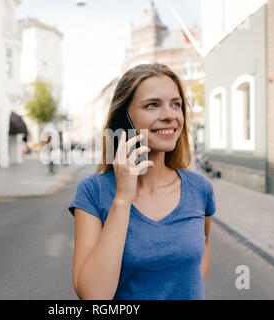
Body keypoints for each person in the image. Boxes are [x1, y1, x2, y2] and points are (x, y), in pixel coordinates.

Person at [68, 63, 216, 300]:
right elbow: (94, 297)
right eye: (152, 105)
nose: (169, 115)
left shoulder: (200, 189)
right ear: (124, 120)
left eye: (175, 104)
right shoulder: (92, 192)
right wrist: (123, 199)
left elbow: (204, 246)